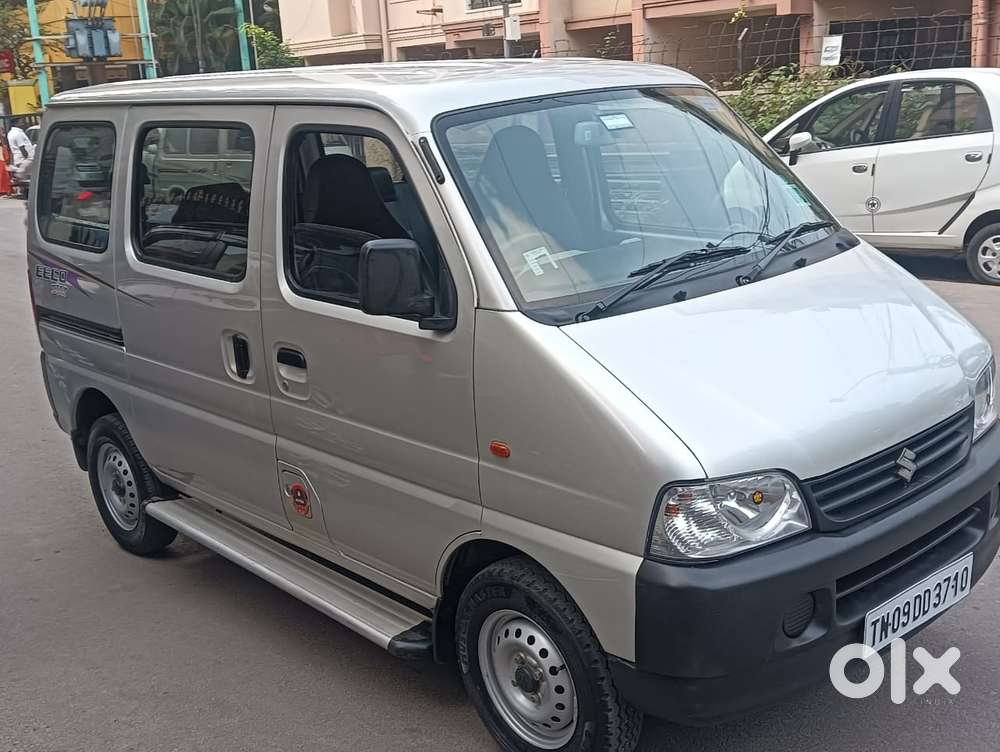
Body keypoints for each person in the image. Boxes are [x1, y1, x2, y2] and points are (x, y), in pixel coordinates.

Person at [7, 118, 35, 198]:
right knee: (28, 177)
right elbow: (22, 147)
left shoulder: (11, 133)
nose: (23, 123)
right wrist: (27, 157)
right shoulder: (18, 133)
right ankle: (27, 194)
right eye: (21, 122)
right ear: (15, 123)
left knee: (25, 177)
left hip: (18, 158)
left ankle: (24, 193)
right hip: (25, 158)